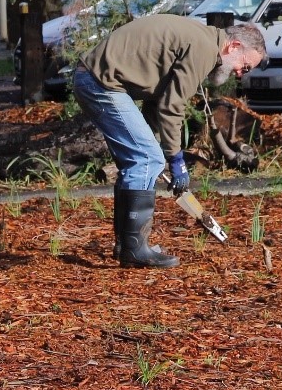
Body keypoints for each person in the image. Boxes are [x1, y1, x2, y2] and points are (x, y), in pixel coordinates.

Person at [73, 14, 266, 268]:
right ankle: (134, 249)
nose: (241, 74)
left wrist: (153, 139)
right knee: (146, 158)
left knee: (137, 160)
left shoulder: (202, 41)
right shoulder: (204, 48)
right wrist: (175, 159)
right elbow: (172, 106)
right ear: (234, 46)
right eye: (246, 66)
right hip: (100, 83)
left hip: (95, 79)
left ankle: (126, 245)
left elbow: (159, 100)